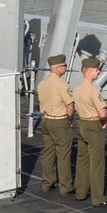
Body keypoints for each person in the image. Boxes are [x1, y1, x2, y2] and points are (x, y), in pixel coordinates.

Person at [35, 54, 74, 195]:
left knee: (49, 153)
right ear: (57, 68)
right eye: (64, 65)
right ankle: (66, 186)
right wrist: (69, 120)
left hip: (46, 120)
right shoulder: (62, 85)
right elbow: (70, 106)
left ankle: (47, 183)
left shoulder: (42, 84)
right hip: (59, 121)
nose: (66, 68)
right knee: (63, 154)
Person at [72, 57, 107, 205]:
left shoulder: (76, 88)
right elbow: (102, 112)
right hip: (93, 125)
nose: (98, 72)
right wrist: (104, 122)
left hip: (82, 123)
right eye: (96, 70)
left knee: (82, 160)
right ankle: (98, 198)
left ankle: (80, 192)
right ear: (89, 72)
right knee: (97, 162)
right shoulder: (94, 90)